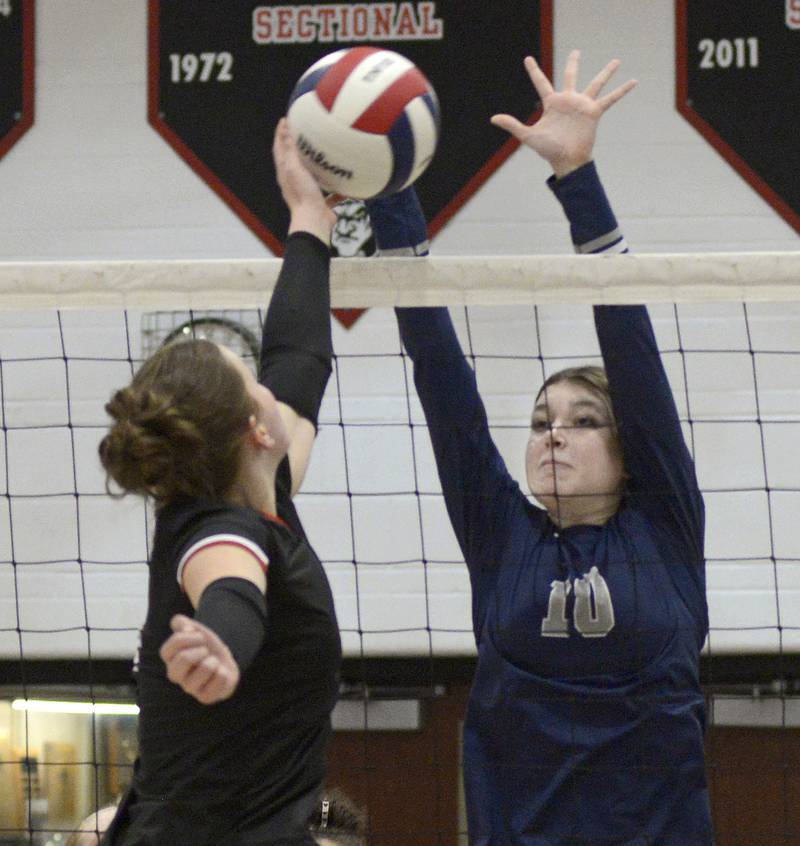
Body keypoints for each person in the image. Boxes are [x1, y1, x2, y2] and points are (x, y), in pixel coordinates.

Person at [365, 51, 712, 844]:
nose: (554, 432)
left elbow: (633, 353)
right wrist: (390, 188)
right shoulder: (502, 537)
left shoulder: (664, 527)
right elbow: (442, 379)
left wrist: (577, 179)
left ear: (629, 452)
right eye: (540, 419)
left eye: (584, 421)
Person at [96, 119, 342, 846]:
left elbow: (298, 359)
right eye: (250, 377)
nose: (269, 381)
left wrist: (309, 219)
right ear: (255, 431)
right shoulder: (221, 531)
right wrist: (221, 643)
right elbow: (232, 589)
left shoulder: (262, 494)